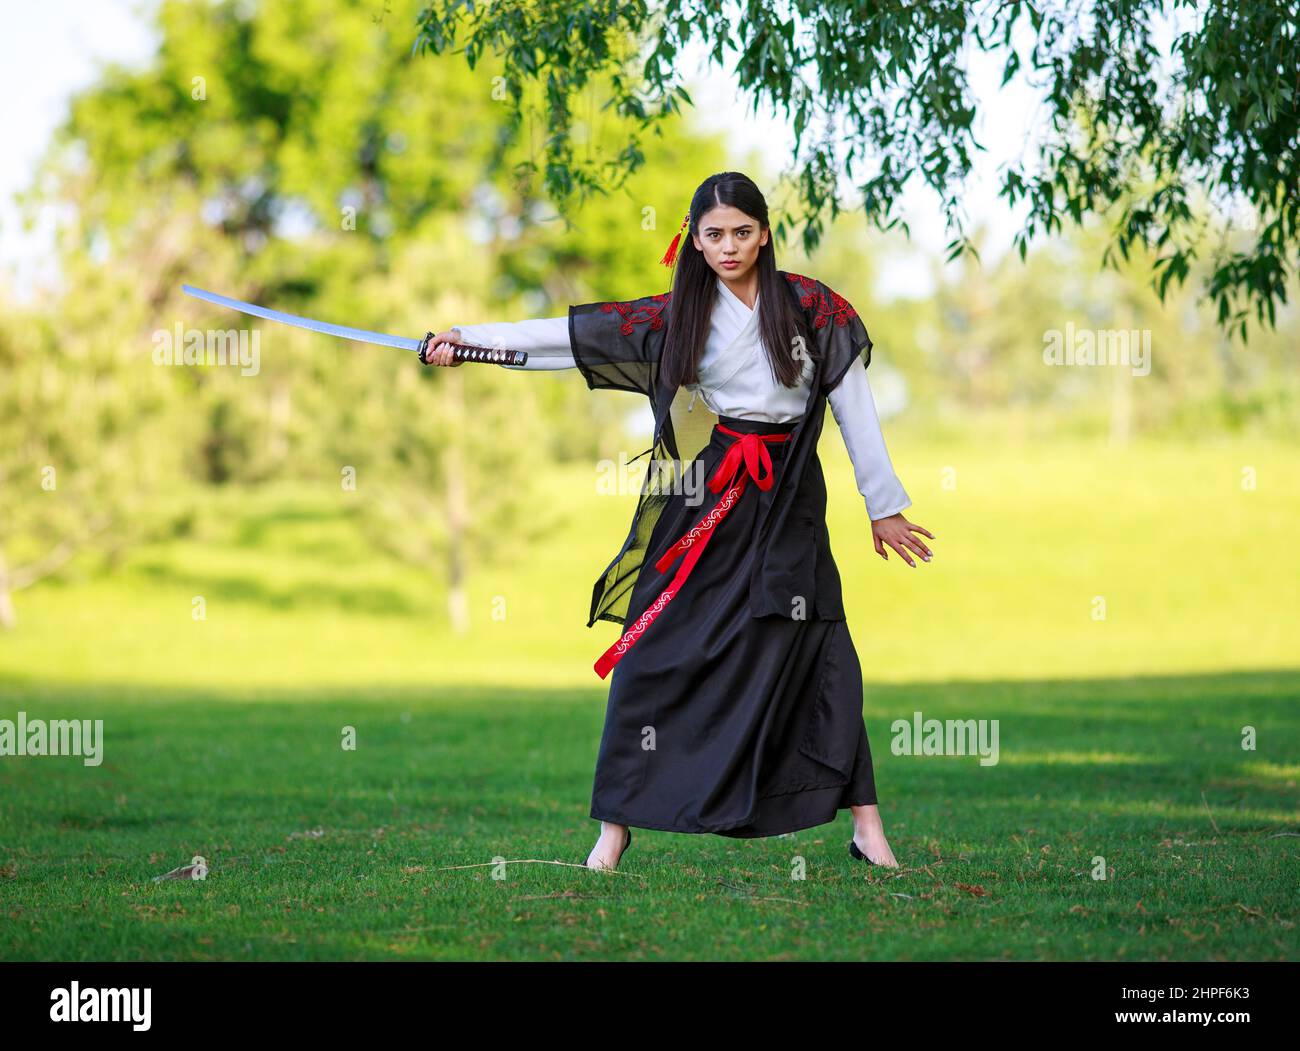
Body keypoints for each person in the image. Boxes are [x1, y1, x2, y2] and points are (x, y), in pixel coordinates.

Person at [422, 172, 934, 871]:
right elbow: (568, 337)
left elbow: (853, 404)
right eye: (715, 234)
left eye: (742, 232)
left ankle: (867, 826)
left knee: (819, 648)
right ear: (693, 240)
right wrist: (470, 342)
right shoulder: (677, 316)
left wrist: (884, 505)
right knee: (651, 649)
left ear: (764, 234)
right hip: (707, 495)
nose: (729, 247)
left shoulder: (812, 306)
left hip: (788, 499)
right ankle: (615, 825)